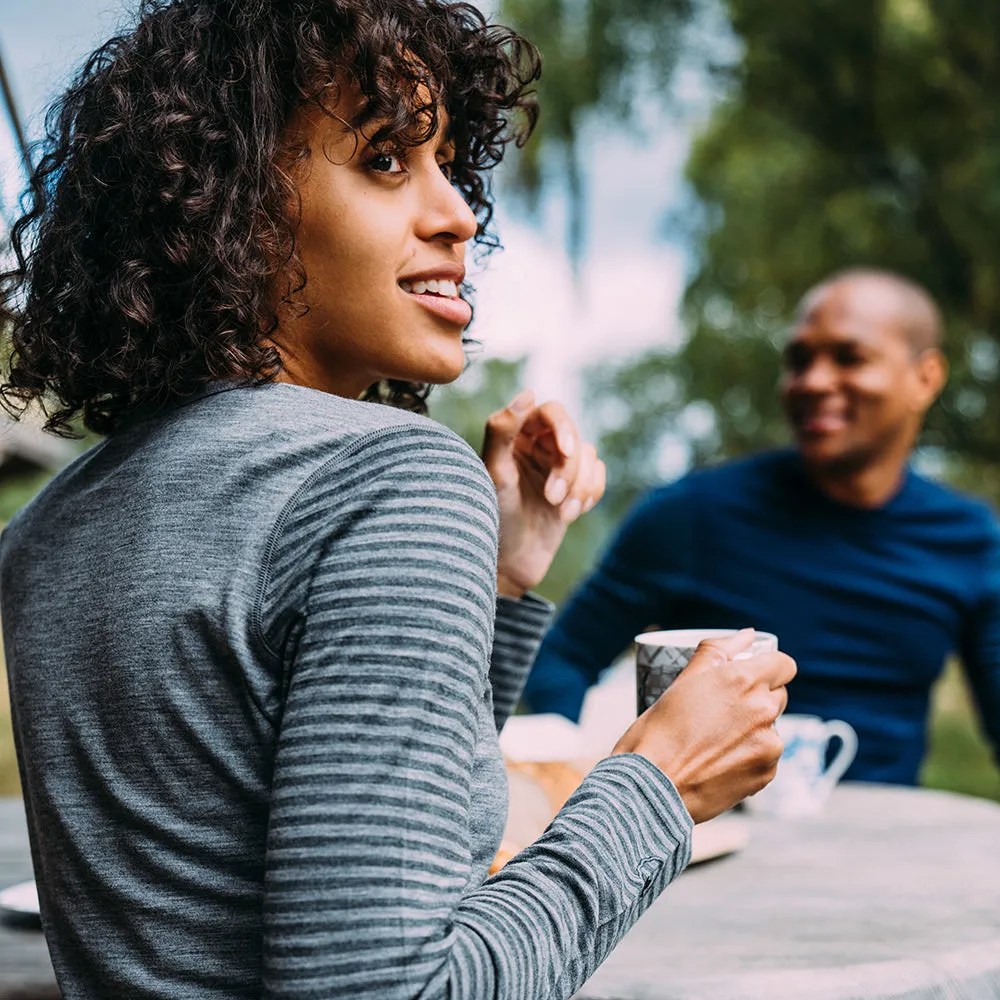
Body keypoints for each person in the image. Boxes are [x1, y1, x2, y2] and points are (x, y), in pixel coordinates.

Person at [0, 2, 795, 998]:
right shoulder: (390, 475)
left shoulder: (47, 526)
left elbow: (359, 827)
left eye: (449, 165)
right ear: (223, 205)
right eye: (386, 159)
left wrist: (497, 581)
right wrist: (661, 783)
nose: (458, 211)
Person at [524, 268, 1000, 786]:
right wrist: (570, 781)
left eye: (849, 357)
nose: (813, 381)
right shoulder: (690, 515)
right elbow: (564, 657)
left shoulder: (969, 538)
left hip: (882, 841)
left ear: (925, 378)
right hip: (711, 841)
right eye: (798, 360)